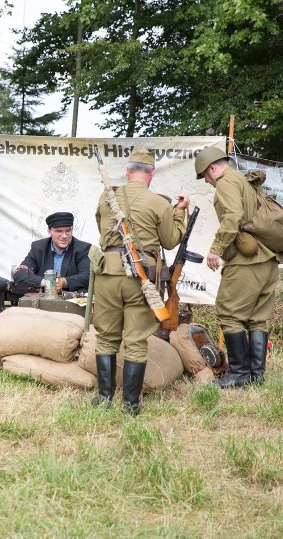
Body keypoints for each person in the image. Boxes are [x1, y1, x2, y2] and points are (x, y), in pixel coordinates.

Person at [92, 148, 189, 414]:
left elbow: (101, 226)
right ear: (151, 173)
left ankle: (104, 398)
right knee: (135, 340)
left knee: (106, 337)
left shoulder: (106, 196)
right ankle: (131, 404)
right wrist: (179, 212)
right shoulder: (159, 203)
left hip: (108, 275)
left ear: (127, 171)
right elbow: (170, 240)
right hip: (140, 278)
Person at [195, 145, 283, 388]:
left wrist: (216, 249)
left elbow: (232, 217)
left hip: (247, 262)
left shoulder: (225, 182)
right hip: (268, 259)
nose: (206, 181)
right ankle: (256, 375)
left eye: (204, 175)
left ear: (212, 168)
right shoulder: (244, 181)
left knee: (229, 312)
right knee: (258, 317)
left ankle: (239, 373)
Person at [12, 211, 91, 296]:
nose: (64, 236)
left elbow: (87, 276)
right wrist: (45, 282)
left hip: (72, 302)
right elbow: (20, 272)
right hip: (43, 301)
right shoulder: (38, 248)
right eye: (59, 231)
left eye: (68, 231)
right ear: (49, 231)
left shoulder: (83, 248)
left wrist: (63, 282)